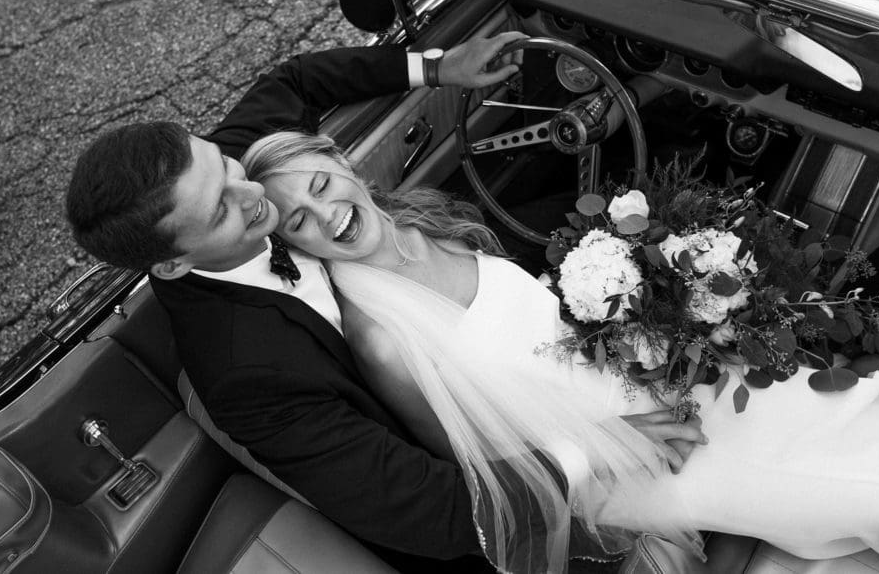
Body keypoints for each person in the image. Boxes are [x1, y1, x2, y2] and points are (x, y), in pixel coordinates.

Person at [66, 33, 697, 572]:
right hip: (490, 461)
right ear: (172, 263)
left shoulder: (218, 169)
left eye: (223, 163)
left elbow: (295, 78)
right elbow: (427, 511)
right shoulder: (245, 375)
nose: (249, 188)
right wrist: (597, 448)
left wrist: (437, 66)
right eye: (222, 210)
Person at [242, 129, 879, 573]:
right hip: (608, 464)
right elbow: (478, 474)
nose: (325, 213)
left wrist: (647, 318)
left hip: (642, 373)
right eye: (298, 218)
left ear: (340, 159)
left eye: (319, 184)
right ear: (294, 243)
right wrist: (610, 438)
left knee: (822, 412)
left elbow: (546, 317)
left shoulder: (424, 216)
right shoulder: (382, 339)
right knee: (831, 484)